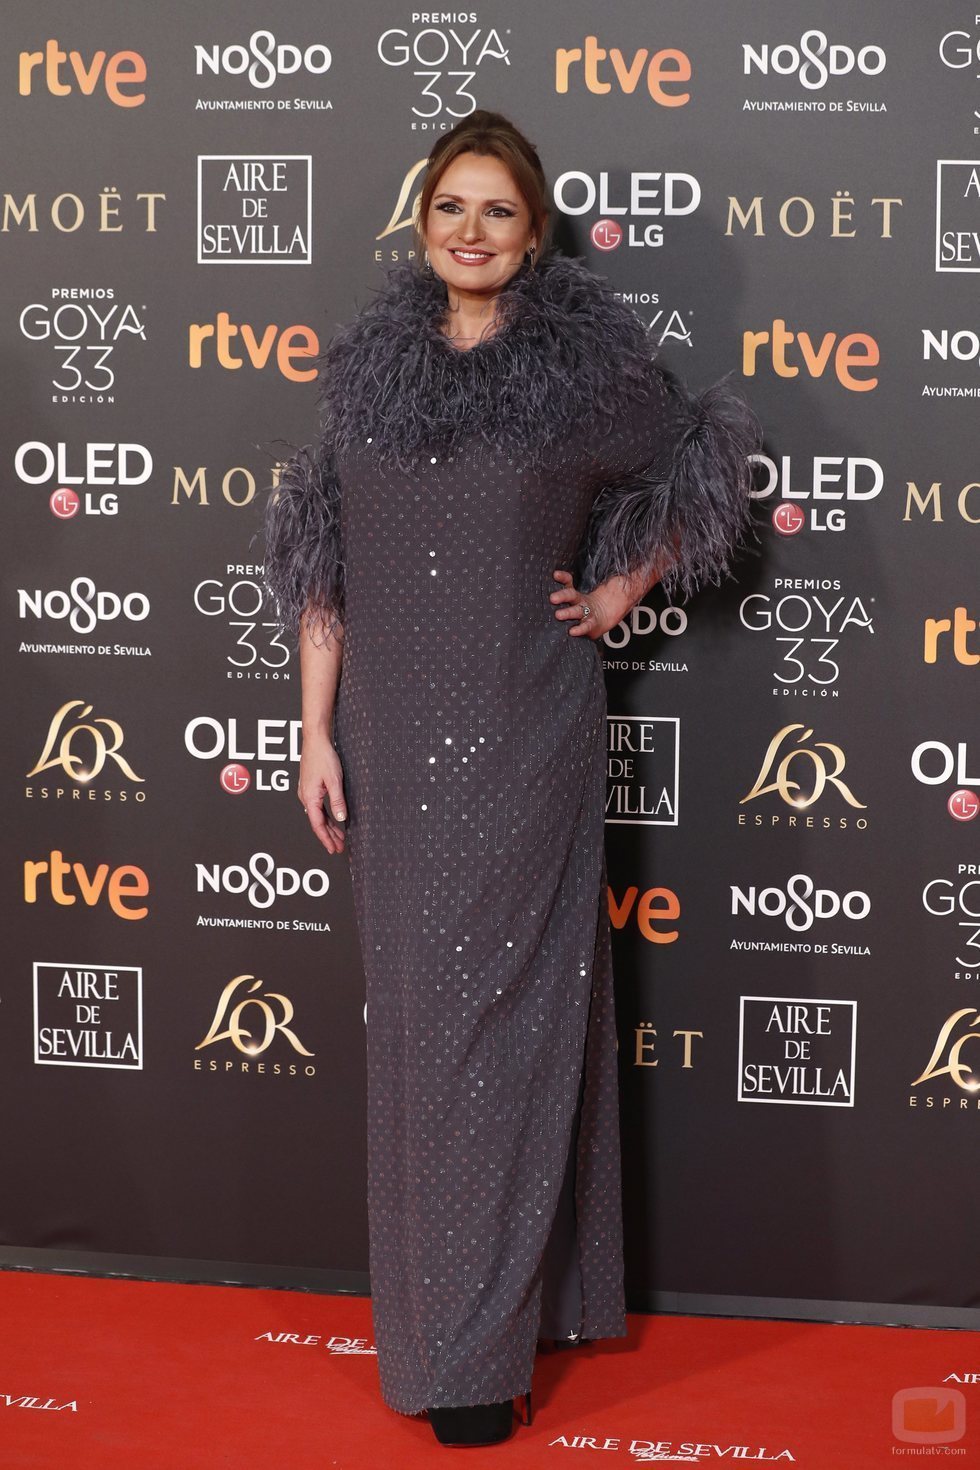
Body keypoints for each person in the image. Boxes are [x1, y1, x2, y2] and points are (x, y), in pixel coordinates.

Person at [262, 110, 762, 1448]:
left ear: (532, 234)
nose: (470, 230)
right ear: (420, 228)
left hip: (526, 738)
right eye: (450, 208)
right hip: (388, 740)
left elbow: (701, 454)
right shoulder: (367, 374)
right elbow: (323, 559)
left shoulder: (589, 377)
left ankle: (477, 1356)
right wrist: (314, 730)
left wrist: (618, 589)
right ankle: (447, 1318)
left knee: (503, 1027)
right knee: (425, 1036)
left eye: (496, 210)